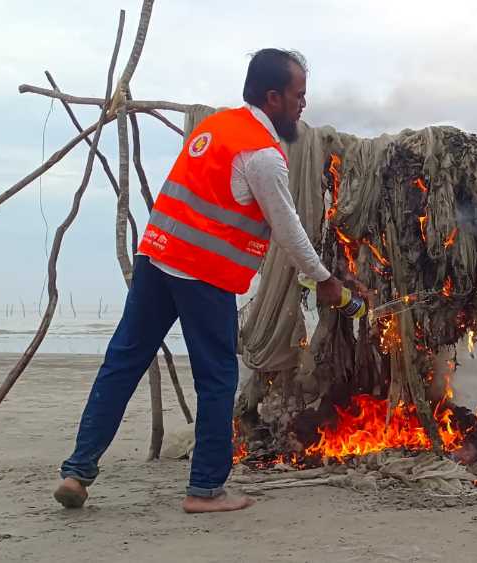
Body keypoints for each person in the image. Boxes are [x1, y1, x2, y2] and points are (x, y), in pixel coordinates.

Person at [54, 48, 349, 514]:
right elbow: (288, 228)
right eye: (298, 95)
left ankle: (77, 471)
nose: (302, 105)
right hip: (203, 273)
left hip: (156, 257)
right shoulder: (263, 156)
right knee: (217, 379)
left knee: (122, 364)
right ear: (273, 97)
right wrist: (325, 279)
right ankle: (205, 490)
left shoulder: (215, 128)